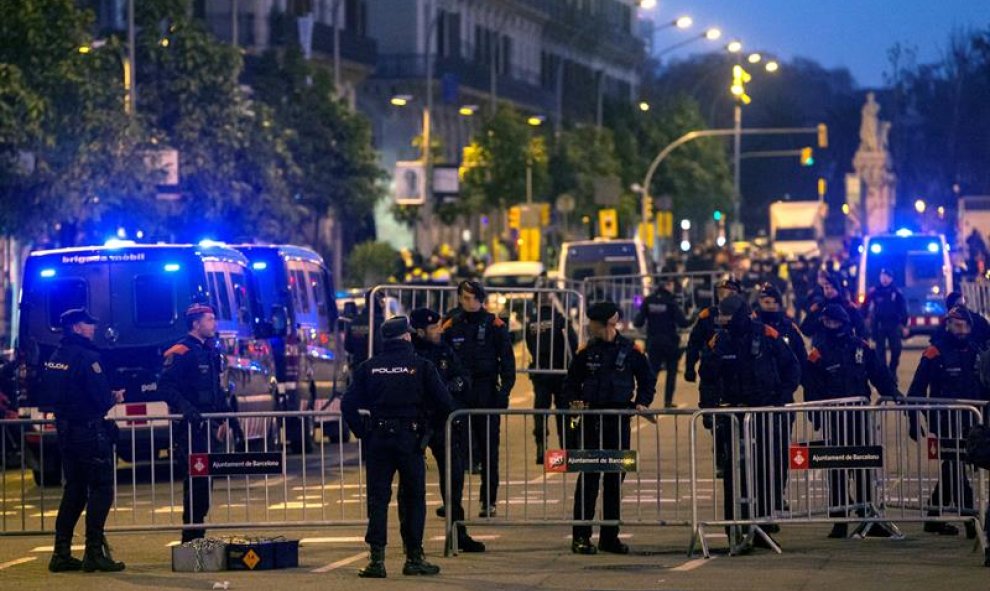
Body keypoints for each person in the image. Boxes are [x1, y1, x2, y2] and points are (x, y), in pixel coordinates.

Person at [342, 316, 456, 578]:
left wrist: (363, 431)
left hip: (379, 440)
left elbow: (348, 404)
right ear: (406, 337)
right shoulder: (422, 366)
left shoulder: (369, 367)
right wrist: (428, 430)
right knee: (414, 498)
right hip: (410, 439)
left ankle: (376, 561)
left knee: (378, 499)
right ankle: (414, 558)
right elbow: (445, 403)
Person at [698, 295, 800, 550]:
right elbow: (707, 375)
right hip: (733, 415)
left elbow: (791, 367)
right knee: (734, 474)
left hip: (764, 412)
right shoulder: (720, 340)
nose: (722, 319)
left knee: (766, 470)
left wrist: (782, 398)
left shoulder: (766, 334)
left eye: (727, 315)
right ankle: (736, 530)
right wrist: (708, 409)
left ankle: (762, 528)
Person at [803, 303, 903, 539]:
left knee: (863, 467)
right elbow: (811, 386)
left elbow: (878, 372)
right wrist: (815, 415)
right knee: (836, 470)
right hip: (833, 418)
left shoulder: (860, 347)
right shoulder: (818, 353)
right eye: (827, 322)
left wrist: (894, 392)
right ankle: (840, 520)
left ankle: (867, 514)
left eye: (835, 322)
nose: (831, 326)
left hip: (859, 418)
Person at [563, 302, 655, 555]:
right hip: (593, 422)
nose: (589, 326)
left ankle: (609, 537)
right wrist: (576, 404)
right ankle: (580, 537)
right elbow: (571, 383)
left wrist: (642, 403)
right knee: (589, 480)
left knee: (614, 481)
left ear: (605, 324)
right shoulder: (586, 352)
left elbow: (647, 379)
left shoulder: (630, 350)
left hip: (618, 423)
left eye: (592, 323)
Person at [41, 309, 125, 572]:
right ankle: (93, 553)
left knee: (75, 491)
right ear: (77, 328)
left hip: (66, 432)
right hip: (89, 432)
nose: (93, 328)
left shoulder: (55, 357)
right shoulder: (88, 358)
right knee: (101, 489)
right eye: (88, 324)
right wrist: (114, 398)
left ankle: (61, 553)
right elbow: (100, 399)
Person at [408, 308, 485, 553]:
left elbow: (463, 376)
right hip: (419, 423)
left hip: (445, 421)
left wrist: (452, 387)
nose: (439, 330)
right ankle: (413, 543)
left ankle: (457, 533)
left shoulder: (444, 349)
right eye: (434, 328)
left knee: (453, 480)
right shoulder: (411, 354)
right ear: (420, 331)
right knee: (412, 485)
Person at [907, 306, 988, 538]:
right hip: (945, 423)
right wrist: (913, 419)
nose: (960, 330)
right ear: (948, 326)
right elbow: (917, 389)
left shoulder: (976, 352)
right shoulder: (935, 353)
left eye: (964, 326)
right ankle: (972, 520)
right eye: (956, 325)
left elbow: (984, 387)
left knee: (952, 468)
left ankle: (933, 515)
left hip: (972, 421)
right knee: (954, 466)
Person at [156, 303, 234, 543]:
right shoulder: (180, 352)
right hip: (190, 429)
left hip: (207, 426)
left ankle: (199, 534)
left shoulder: (210, 351)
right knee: (196, 482)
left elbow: (216, 390)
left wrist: (226, 419)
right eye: (209, 320)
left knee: (206, 483)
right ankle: (190, 537)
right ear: (196, 323)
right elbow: (165, 387)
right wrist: (185, 408)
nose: (214, 324)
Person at [442, 280, 515, 517]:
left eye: (473, 297)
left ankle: (488, 501)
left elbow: (508, 363)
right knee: (457, 451)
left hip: (486, 392)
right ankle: (455, 503)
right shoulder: (452, 325)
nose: (469, 302)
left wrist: (503, 393)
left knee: (488, 449)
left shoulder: (494, 325)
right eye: (464, 297)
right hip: (461, 394)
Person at [525, 298, 578, 461]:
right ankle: (567, 449)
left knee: (541, 411)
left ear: (536, 305)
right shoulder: (561, 320)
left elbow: (529, 345)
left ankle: (541, 446)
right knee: (564, 412)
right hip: (561, 372)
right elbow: (573, 343)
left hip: (540, 372)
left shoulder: (531, 323)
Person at [634, 278, 689, 408]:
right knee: (671, 372)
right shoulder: (671, 301)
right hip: (670, 342)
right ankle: (668, 401)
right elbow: (683, 322)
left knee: (652, 373)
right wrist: (694, 317)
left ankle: (644, 401)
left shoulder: (648, 300)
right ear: (668, 285)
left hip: (653, 342)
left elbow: (638, 322)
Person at [685, 277, 742, 383]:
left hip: (739, 372)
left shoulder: (747, 316)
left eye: (729, 294)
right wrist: (690, 366)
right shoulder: (707, 315)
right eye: (721, 294)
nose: (724, 297)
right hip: (712, 369)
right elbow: (694, 343)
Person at [756, 283, 808, 382]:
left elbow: (801, 354)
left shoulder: (788, 326)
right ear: (760, 303)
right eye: (767, 302)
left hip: (784, 381)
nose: (771, 306)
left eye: (775, 302)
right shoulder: (754, 326)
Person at [863, 268, 909, 378]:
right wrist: (865, 319)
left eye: (887, 276)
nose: (884, 279)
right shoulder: (874, 292)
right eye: (882, 276)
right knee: (880, 351)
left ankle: (892, 370)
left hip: (893, 324)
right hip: (879, 324)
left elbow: (902, 309)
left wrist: (904, 325)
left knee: (896, 349)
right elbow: (864, 306)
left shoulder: (896, 292)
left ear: (891, 278)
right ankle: (884, 374)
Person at [800, 272, 866, 344]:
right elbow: (806, 330)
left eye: (832, 287)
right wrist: (818, 321)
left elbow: (861, 329)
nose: (829, 290)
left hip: (844, 349)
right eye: (826, 288)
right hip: (823, 349)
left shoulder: (848, 307)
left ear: (837, 289)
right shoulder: (818, 307)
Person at [344, 290, 386, 367]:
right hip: (377, 367)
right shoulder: (382, 323)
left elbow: (348, 347)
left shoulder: (356, 321)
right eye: (382, 301)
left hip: (358, 366)